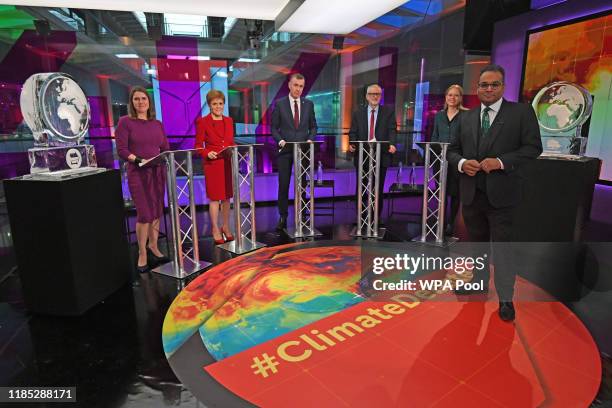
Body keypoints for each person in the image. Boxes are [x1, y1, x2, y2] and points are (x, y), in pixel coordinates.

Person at [447, 64, 542, 322]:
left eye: (494, 84)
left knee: (503, 250)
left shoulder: (521, 112)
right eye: (484, 85)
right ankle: (478, 285)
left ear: (503, 86)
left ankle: (505, 300)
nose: (488, 89)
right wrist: (461, 163)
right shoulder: (466, 117)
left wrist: (500, 162)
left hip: (503, 196)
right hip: (472, 194)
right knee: (476, 247)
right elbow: (452, 150)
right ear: (477, 89)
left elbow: (533, 148)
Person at [116, 86, 170, 273]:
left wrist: (165, 158)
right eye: (137, 99)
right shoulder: (125, 122)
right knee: (145, 213)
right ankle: (142, 252)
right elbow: (122, 150)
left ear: (149, 102)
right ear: (132, 102)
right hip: (138, 172)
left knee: (156, 211)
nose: (141, 102)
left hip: (157, 172)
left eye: (144, 99)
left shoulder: (157, 124)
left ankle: (153, 246)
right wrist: (139, 160)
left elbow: (165, 147)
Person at [271, 73, 317, 231]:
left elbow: (313, 126)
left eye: (301, 86)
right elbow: (273, 128)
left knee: (302, 184)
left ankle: (303, 214)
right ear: (289, 85)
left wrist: (311, 139)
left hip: (303, 151)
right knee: (283, 185)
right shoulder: (280, 104)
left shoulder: (309, 104)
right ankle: (283, 217)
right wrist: (280, 140)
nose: (298, 89)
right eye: (296, 85)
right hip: (285, 151)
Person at [348, 84, 397, 222]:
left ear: (380, 96)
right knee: (362, 187)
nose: (375, 96)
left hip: (381, 155)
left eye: (377, 94)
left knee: (378, 188)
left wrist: (392, 144)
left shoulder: (388, 112)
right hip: (362, 155)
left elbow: (392, 130)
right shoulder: (358, 113)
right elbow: (353, 132)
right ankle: (361, 216)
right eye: (372, 94)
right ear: (366, 96)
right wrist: (352, 143)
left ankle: (376, 217)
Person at [195, 90, 235, 245]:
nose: (218, 106)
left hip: (227, 163)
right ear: (210, 105)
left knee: (226, 198)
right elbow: (198, 146)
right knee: (214, 199)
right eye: (214, 104)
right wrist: (206, 152)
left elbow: (230, 142)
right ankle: (215, 228)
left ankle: (225, 226)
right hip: (212, 165)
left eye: (220, 103)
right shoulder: (203, 122)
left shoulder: (229, 120)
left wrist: (235, 149)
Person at [431, 84, 468, 236]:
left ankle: (451, 224)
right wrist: (432, 154)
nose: (452, 98)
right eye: (450, 95)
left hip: (457, 160)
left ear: (460, 98)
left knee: (455, 194)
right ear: (446, 97)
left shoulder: (466, 115)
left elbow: (468, 138)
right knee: (441, 193)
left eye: (456, 95)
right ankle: (439, 221)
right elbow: (434, 136)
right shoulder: (439, 115)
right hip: (439, 159)